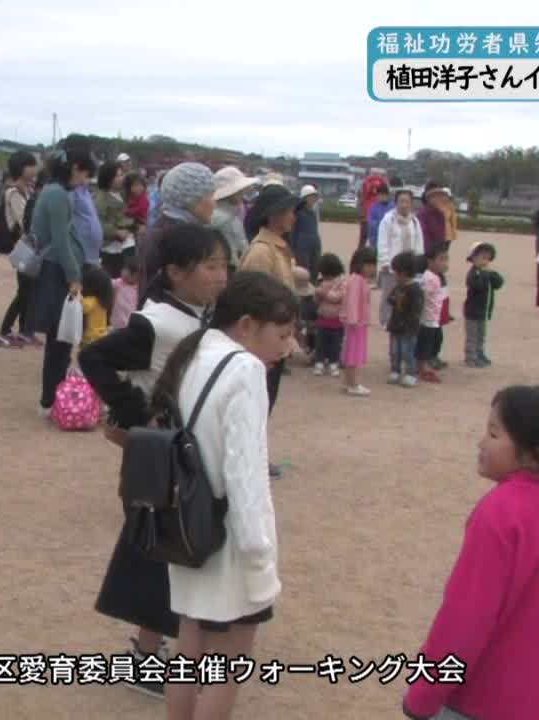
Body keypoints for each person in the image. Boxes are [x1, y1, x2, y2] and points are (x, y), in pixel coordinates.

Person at [78, 223, 230, 700]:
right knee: (159, 556)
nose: (220, 275)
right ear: (175, 272)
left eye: (224, 265)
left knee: (172, 552)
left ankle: (155, 651)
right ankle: (145, 659)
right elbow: (94, 358)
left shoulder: (201, 314)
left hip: (181, 456)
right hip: (158, 458)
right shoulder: (156, 323)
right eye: (210, 266)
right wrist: (137, 414)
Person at [402, 385, 539, 720]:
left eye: (494, 434)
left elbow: (465, 621)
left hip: (484, 704)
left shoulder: (501, 512)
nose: (481, 442)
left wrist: (422, 696)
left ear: (534, 453)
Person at [157, 271, 293, 720]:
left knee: (189, 647)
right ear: (248, 325)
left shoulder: (195, 351)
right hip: (229, 535)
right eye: (282, 335)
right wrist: (258, 555)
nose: (287, 346)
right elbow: (245, 472)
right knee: (227, 664)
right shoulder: (245, 369)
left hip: (188, 523)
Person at [31, 148, 94, 416]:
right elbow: (60, 240)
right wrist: (74, 275)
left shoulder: (52, 191)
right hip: (57, 270)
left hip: (56, 269)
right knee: (60, 340)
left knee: (61, 340)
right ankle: (50, 400)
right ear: (75, 168)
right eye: (85, 174)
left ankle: (52, 398)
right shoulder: (58, 194)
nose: (85, 181)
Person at [238, 184, 299, 417]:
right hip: (262, 341)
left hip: (275, 338)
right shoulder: (262, 252)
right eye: (289, 211)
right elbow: (253, 301)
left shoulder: (277, 247)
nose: (293, 217)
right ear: (274, 215)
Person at [140, 163, 216, 301]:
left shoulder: (163, 228)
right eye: (211, 195)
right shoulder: (180, 239)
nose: (215, 203)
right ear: (192, 200)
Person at [0, 151, 40, 348]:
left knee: (29, 291)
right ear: (20, 169)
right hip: (23, 247)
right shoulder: (14, 192)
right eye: (30, 165)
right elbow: (25, 222)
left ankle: (25, 331)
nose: (34, 169)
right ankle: (4, 331)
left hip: (30, 247)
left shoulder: (28, 190)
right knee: (24, 291)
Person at [377, 189, 425, 328]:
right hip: (392, 266)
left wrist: (419, 261)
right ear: (396, 202)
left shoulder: (414, 221)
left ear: (411, 203)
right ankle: (386, 320)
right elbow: (383, 242)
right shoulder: (388, 220)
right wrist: (385, 261)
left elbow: (419, 242)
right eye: (401, 201)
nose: (404, 205)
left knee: (408, 294)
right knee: (389, 293)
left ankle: (405, 319)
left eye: (407, 202)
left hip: (409, 266)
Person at [340, 246, 377, 397]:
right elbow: (352, 301)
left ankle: (348, 382)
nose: (371, 268)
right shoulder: (357, 280)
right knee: (353, 355)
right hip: (356, 323)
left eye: (373, 265)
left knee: (354, 353)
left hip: (359, 322)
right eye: (368, 265)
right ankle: (353, 383)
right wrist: (353, 319)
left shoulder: (360, 280)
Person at [386, 251, 423, 388]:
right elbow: (390, 299)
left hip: (408, 328)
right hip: (395, 325)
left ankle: (410, 373)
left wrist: (411, 326)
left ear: (404, 273)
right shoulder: (398, 287)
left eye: (396, 272)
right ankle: (395, 371)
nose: (394, 275)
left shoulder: (415, 290)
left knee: (408, 351)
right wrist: (395, 298)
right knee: (394, 351)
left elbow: (416, 310)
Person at [94, 161, 138, 279]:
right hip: (111, 249)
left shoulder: (121, 193)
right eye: (118, 175)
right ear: (108, 178)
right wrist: (116, 232)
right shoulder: (101, 198)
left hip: (125, 245)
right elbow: (98, 223)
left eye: (122, 174)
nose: (121, 178)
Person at [210, 167, 258, 272]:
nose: (243, 194)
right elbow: (235, 258)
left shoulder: (220, 214)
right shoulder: (226, 220)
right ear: (233, 193)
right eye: (240, 191)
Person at [463, 242, 504, 368]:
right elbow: (477, 285)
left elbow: (499, 283)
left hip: (484, 312)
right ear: (473, 258)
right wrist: (485, 274)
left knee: (481, 336)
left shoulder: (487, 272)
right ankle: (471, 357)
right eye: (482, 258)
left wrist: (492, 274)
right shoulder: (473, 273)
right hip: (472, 312)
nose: (485, 261)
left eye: (487, 258)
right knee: (472, 336)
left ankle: (479, 353)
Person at [417, 247, 450, 383]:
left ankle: (423, 365)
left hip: (433, 318)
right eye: (441, 259)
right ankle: (423, 368)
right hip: (428, 318)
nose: (445, 263)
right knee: (425, 343)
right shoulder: (430, 278)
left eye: (446, 259)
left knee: (432, 341)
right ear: (430, 261)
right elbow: (423, 297)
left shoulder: (437, 277)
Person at [312, 253, 346, 377]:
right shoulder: (322, 282)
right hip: (323, 319)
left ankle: (333, 363)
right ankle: (319, 363)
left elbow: (337, 297)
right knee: (320, 343)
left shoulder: (341, 283)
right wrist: (317, 294)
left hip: (337, 321)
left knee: (335, 345)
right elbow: (316, 301)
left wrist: (324, 293)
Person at [292, 185, 322, 279]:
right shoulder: (297, 213)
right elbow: (293, 232)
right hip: (302, 248)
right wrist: (293, 249)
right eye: (312, 196)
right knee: (304, 272)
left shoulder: (313, 213)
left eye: (315, 196)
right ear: (305, 198)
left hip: (315, 246)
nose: (314, 199)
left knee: (315, 270)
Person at [80, 265, 114, 346]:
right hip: (101, 335)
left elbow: (83, 307)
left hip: (90, 338)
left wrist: (77, 294)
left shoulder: (92, 300)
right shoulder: (104, 301)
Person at [359, 168, 389, 248]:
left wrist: (374, 176)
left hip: (367, 217)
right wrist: (380, 177)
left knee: (364, 241)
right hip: (368, 218)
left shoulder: (368, 183)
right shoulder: (370, 184)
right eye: (375, 174)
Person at [418, 183, 449, 255]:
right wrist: (434, 255)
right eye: (436, 196)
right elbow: (424, 238)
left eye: (440, 196)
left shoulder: (441, 213)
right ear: (429, 198)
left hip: (439, 254)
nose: (440, 199)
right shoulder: (422, 214)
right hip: (427, 255)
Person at [111, 255, 140, 330]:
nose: (123, 272)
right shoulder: (118, 283)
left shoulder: (139, 289)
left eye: (126, 270)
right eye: (124, 269)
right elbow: (106, 282)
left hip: (131, 326)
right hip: (116, 324)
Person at [366, 184, 392, 251]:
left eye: (383, 195)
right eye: (379, 195)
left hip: (390, 241)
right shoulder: (374, 207)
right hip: (375, 240)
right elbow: (371, 223)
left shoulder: (393, 206)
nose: (381, 197)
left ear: (387, 195)